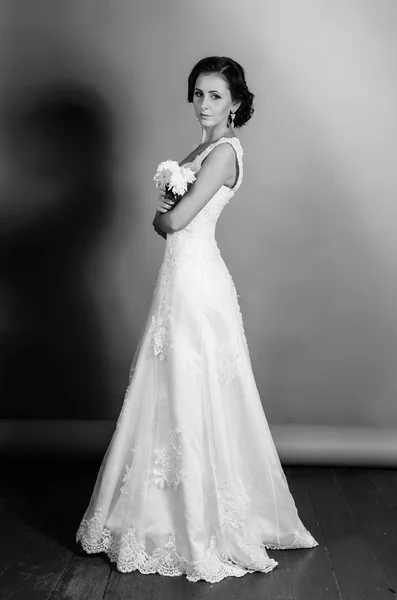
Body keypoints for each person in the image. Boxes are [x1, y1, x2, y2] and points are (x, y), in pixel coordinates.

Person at [76, 56, 318, 584]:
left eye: (215, 95)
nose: (204, 104)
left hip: (197, 282)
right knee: (170, 385)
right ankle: (162, 510)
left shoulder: (225, 151)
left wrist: (161, 213)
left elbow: (173, 220)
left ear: (235, 102)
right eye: (198, 94)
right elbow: (167, 215)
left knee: (193, 384)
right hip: (180, 279)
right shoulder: (203, 150)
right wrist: (163, 212)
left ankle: (199, 522)